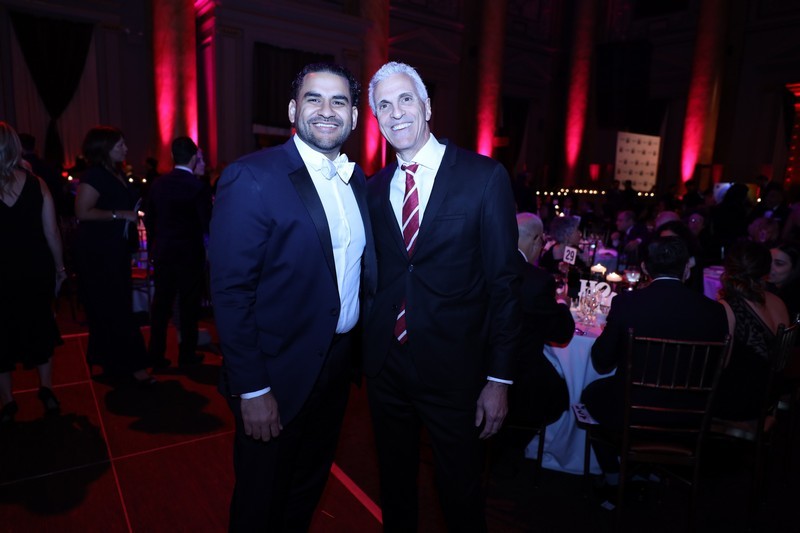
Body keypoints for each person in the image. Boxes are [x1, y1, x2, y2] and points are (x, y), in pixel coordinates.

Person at [208, 62, 373, 532]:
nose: (326, 110)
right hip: (275, 373)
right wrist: (253, 388)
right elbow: (230, 293)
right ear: (292, 110)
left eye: (339, 101)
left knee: (306, 491)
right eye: (313, 99)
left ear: (354, 116)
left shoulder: (357, 181)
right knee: (261, 502)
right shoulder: (252, 176)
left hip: (336, 368)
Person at [363, 61, 521, 532]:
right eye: (384, 106)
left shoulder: (482, 177)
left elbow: (504, 284)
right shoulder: (372, 189)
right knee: (395, 488)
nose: (396, 113)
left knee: (460, 495)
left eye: (404, 99)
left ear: (427, 106)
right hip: (387, 367)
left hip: (456, 371)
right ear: (375, 118)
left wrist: (499, 379)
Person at [580, 237, 728, 479]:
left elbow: (602, 361)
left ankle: (613, 473)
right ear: (687, 269)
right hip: (693, 416)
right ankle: (648, 470)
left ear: (644, 268)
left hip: (632, 412)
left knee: (589, 394)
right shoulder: (715, 311)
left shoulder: (628, 303)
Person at [73, 126, 154, 385]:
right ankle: (134, 366)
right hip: (98, 252)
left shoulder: (114, 173)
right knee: (115, 307)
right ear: (105, 148)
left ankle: (113, 363)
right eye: (120, 145)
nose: (126, 149)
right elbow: (82, 212)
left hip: (113, 249)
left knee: (113, 306)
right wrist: (121, 214)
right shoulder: (94, 175)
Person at [0, 122, 66, 424]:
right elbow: (51, 232)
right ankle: (47, 389)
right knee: (40, 326)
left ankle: (8, 401)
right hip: (34, 267)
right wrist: (60, 269)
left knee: (2, 334)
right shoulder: (37, 184)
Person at [505, 213, 573, 438]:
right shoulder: (537, 280)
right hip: (518, 377)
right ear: (536, 240)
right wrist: (562, 303)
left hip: (473, 370)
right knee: (562, 393)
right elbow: (561, 334)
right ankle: (516, 443)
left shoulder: (482, 263)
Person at [145, 137, 211, 368]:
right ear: (193, 158)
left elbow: (150, 220)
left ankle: (155, 355)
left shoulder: (158, 184)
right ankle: (187, 356)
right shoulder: (198, 187)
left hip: (164, 251)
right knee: (188, 306)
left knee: (161, 305)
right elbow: (207, 223)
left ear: (173, 156)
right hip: (189, 254)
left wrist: (155, 244)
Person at [714, 241, 790, 420]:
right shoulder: (778, 301)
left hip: (742, 403)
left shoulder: (728, 306)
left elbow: (720, 364)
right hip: (768, 396)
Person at [768, 240, 800, 318]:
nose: (769, 267)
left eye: (779, 264)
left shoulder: (793, 300)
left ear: (794, 268)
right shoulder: (761, 286)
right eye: (768, 261)